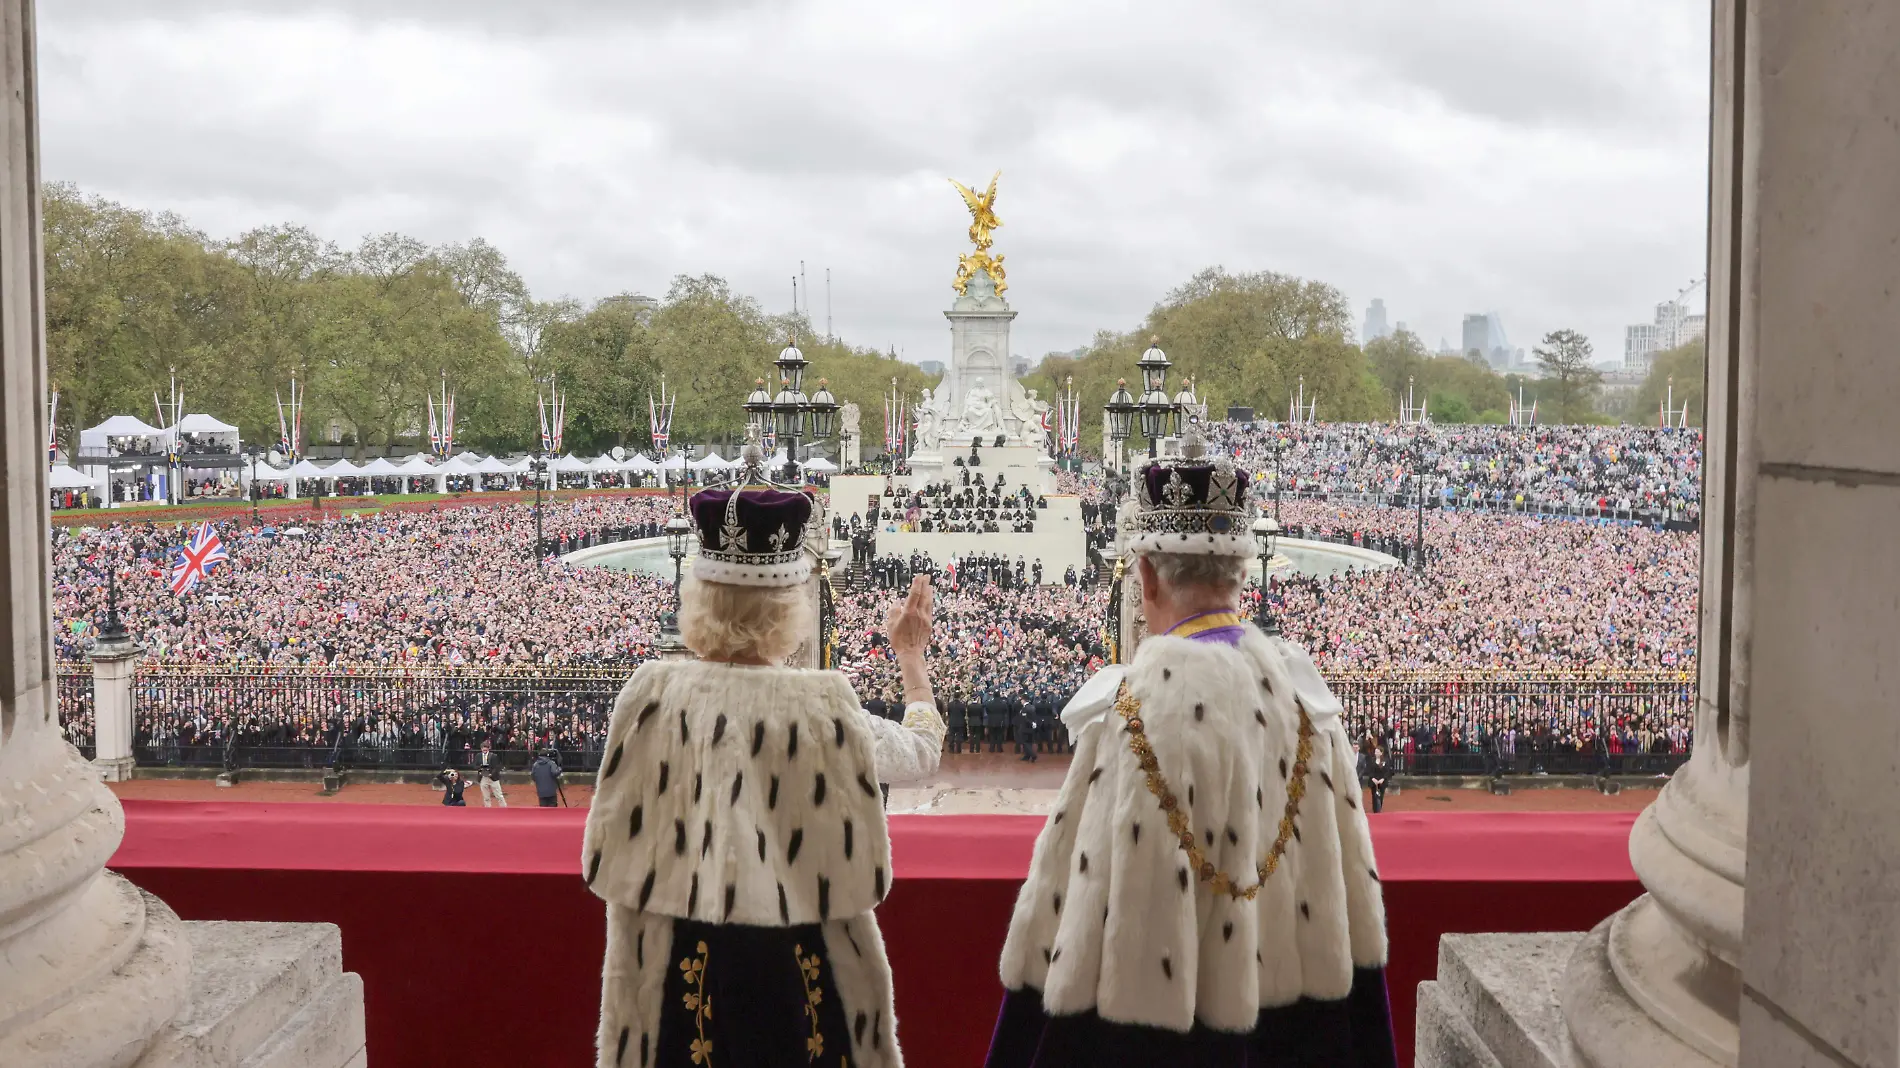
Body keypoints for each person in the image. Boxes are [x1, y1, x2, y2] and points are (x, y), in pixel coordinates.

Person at [985, 426, 1396, 1067]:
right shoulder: (1308, 700)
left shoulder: (1128, 711)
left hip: (1159, 1038)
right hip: (1295, 1032)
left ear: (1145, 576)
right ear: (1240, 573)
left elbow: (1071, 915)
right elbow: (1356, 911)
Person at [582, 471, 944, 1068]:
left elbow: (608, 850)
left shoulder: (648, 693)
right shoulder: (822, 705)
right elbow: (921, 751)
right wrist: (911, 659)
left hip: (675, 970)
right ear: (787, 608)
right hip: (800, 967)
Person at [475, 738, 507, 807]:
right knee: (486, 797)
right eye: (483, 749)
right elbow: (475, 765)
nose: (484, 751)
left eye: (486, 749)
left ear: (489, 748)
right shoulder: (478, 756)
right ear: (481, 749)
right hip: (483, 777)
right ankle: (488, 810)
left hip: (493, 778)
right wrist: (480, 771)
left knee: (499, 795)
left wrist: (491, 774)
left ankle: (504, 809)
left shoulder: (494, 756)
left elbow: (497, 767)